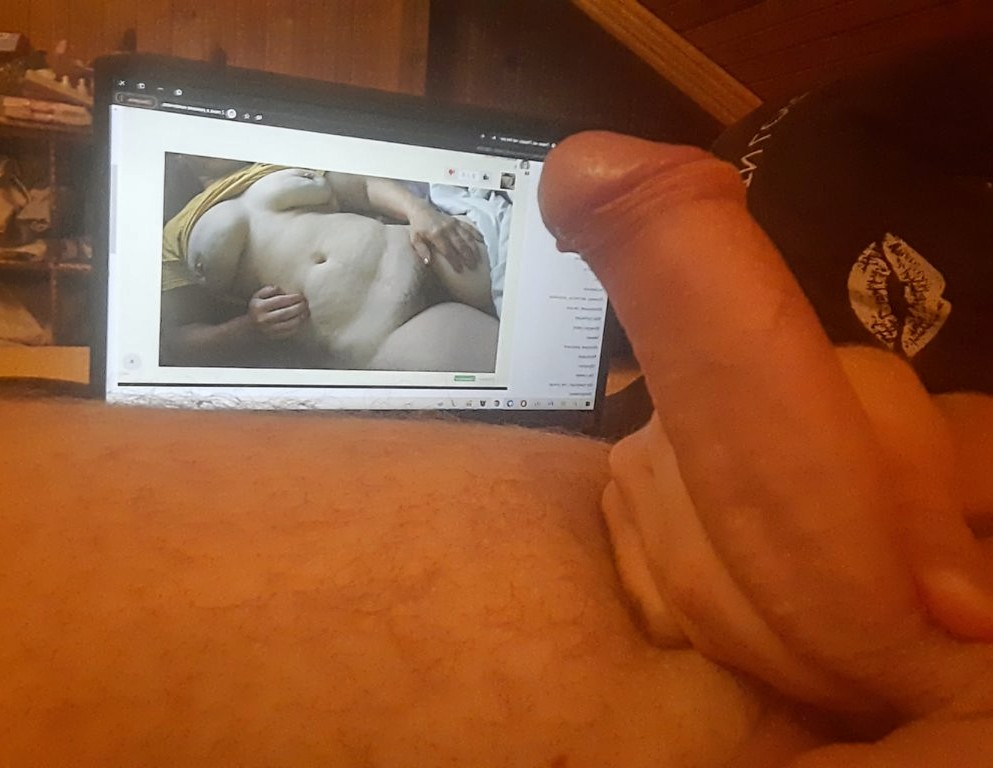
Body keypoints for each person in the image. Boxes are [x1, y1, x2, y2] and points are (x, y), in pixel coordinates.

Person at [3, 131, 992, 765]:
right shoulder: (178, 240)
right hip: (477, 374)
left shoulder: (278, 176)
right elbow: (180, 336)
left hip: (437, 294)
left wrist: (424, 213)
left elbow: (360, 181)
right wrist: (902, 413)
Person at [160, 163, 498, 371]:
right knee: (500, 363)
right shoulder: (172, 235)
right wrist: (249, 327)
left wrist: (418, 211)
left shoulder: (277, 159)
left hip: (422, 251)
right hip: (376, 334)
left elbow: (363, 187)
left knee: (524, 319)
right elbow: (176, 342)